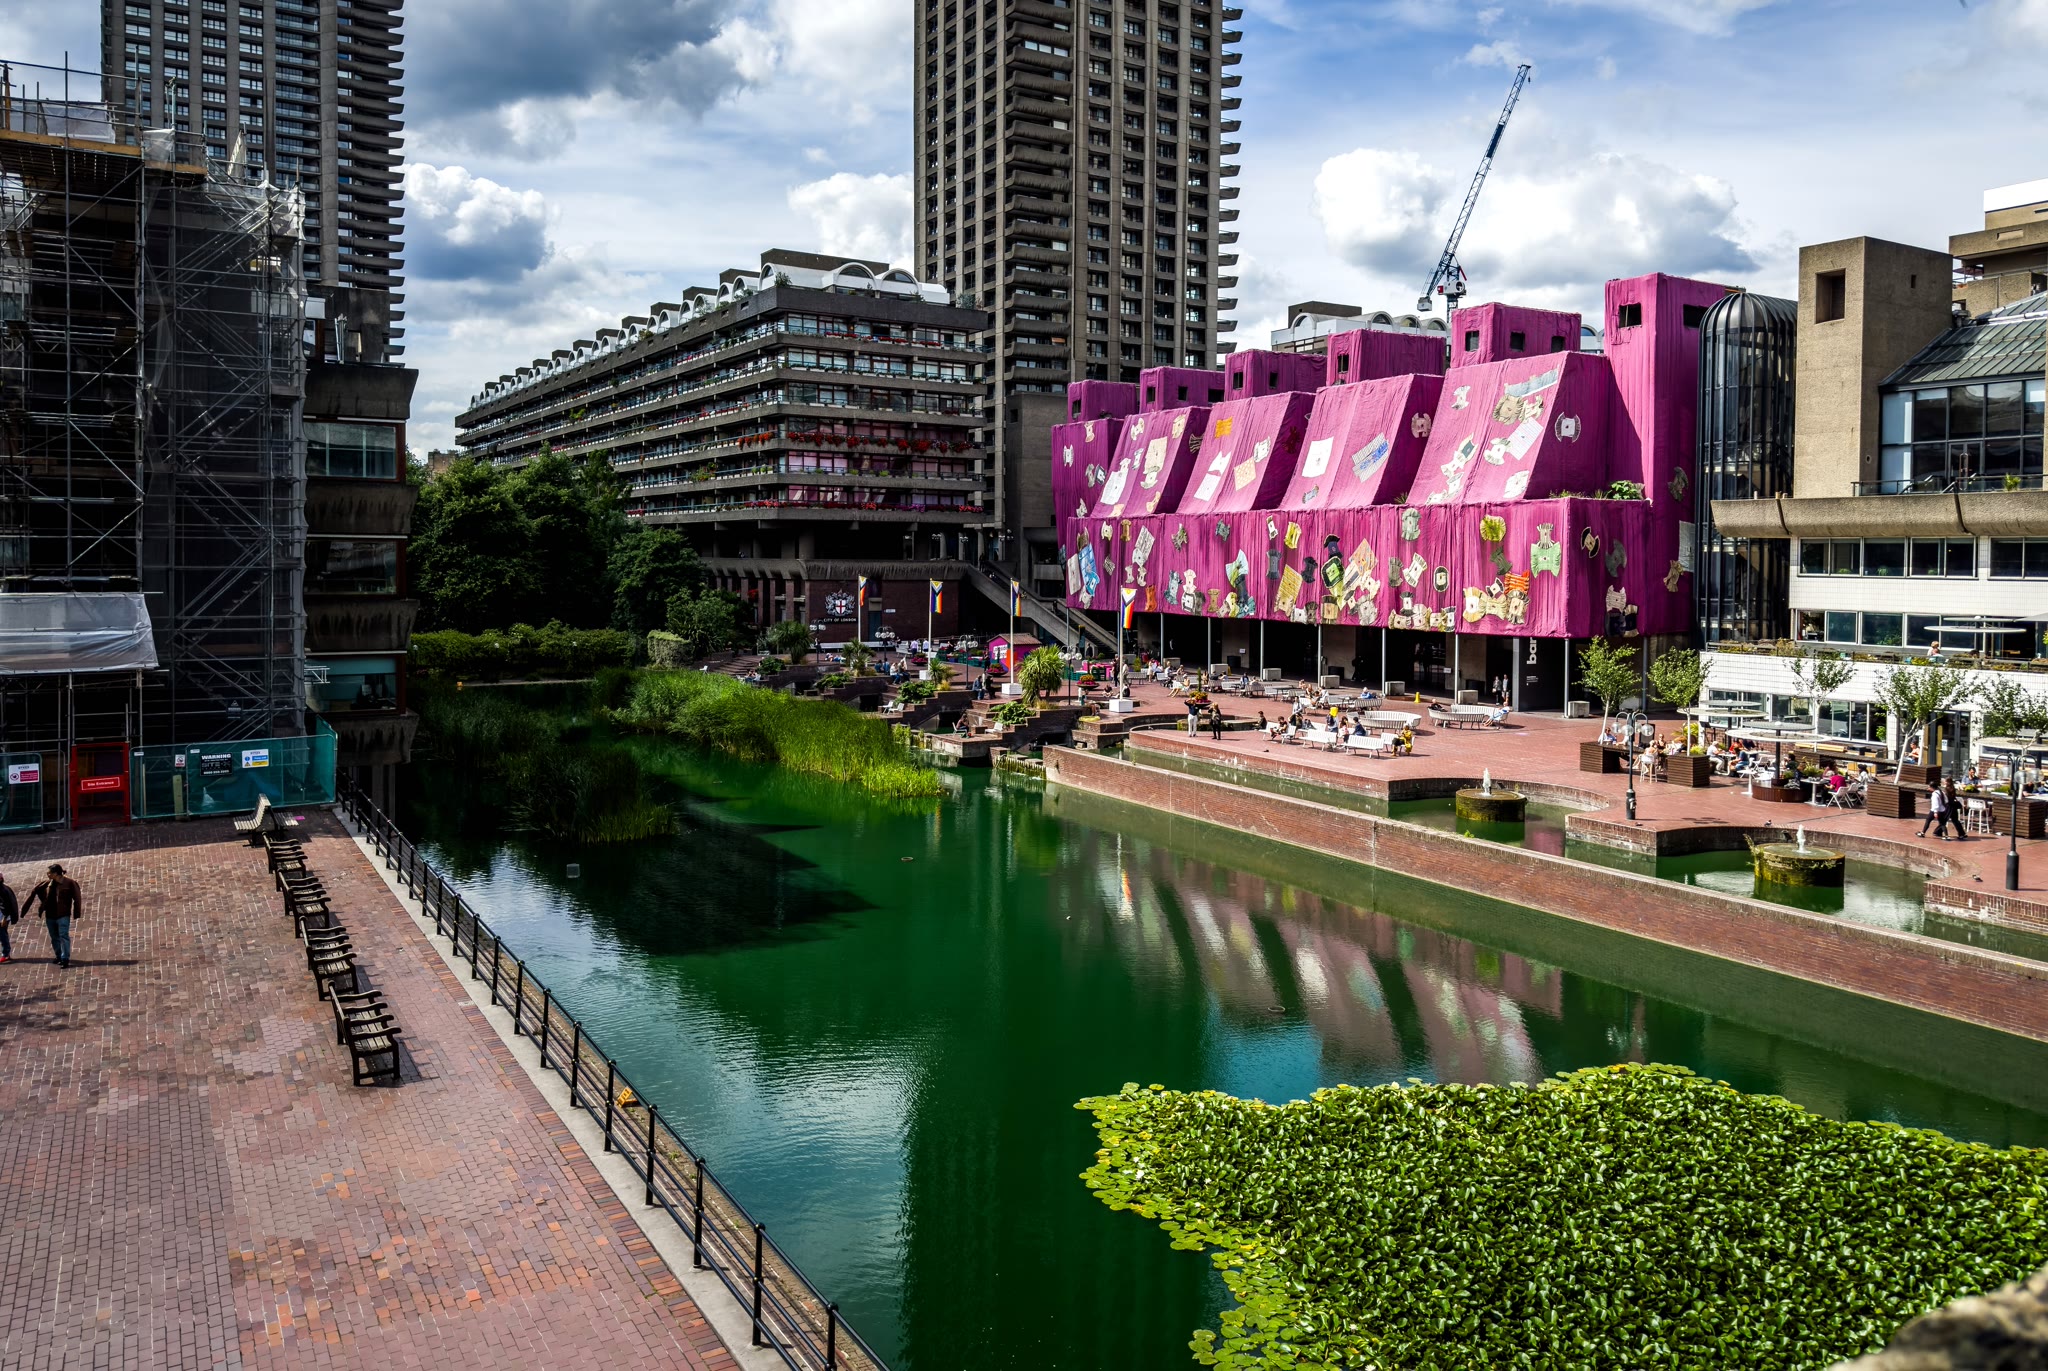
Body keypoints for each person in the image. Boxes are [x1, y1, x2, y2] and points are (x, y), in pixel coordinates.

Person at [21, 863, 82, 969]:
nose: (47, 874)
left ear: (56, 873)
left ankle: (65, 959)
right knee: (54, 937)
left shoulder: (70, 883)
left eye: (49, 873)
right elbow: (34, 892)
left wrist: (76, 913)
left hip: (63, 915)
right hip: (50, 915)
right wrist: (27, 910)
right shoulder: (47, 883)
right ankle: (59, 956)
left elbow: (77, 898)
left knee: (63, 936)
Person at [0, 871, 15, 965]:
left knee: (2, 935)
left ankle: (6, 954)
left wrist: (4, 918)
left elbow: (9, 905)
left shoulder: (3, 891)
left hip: (2, 917)